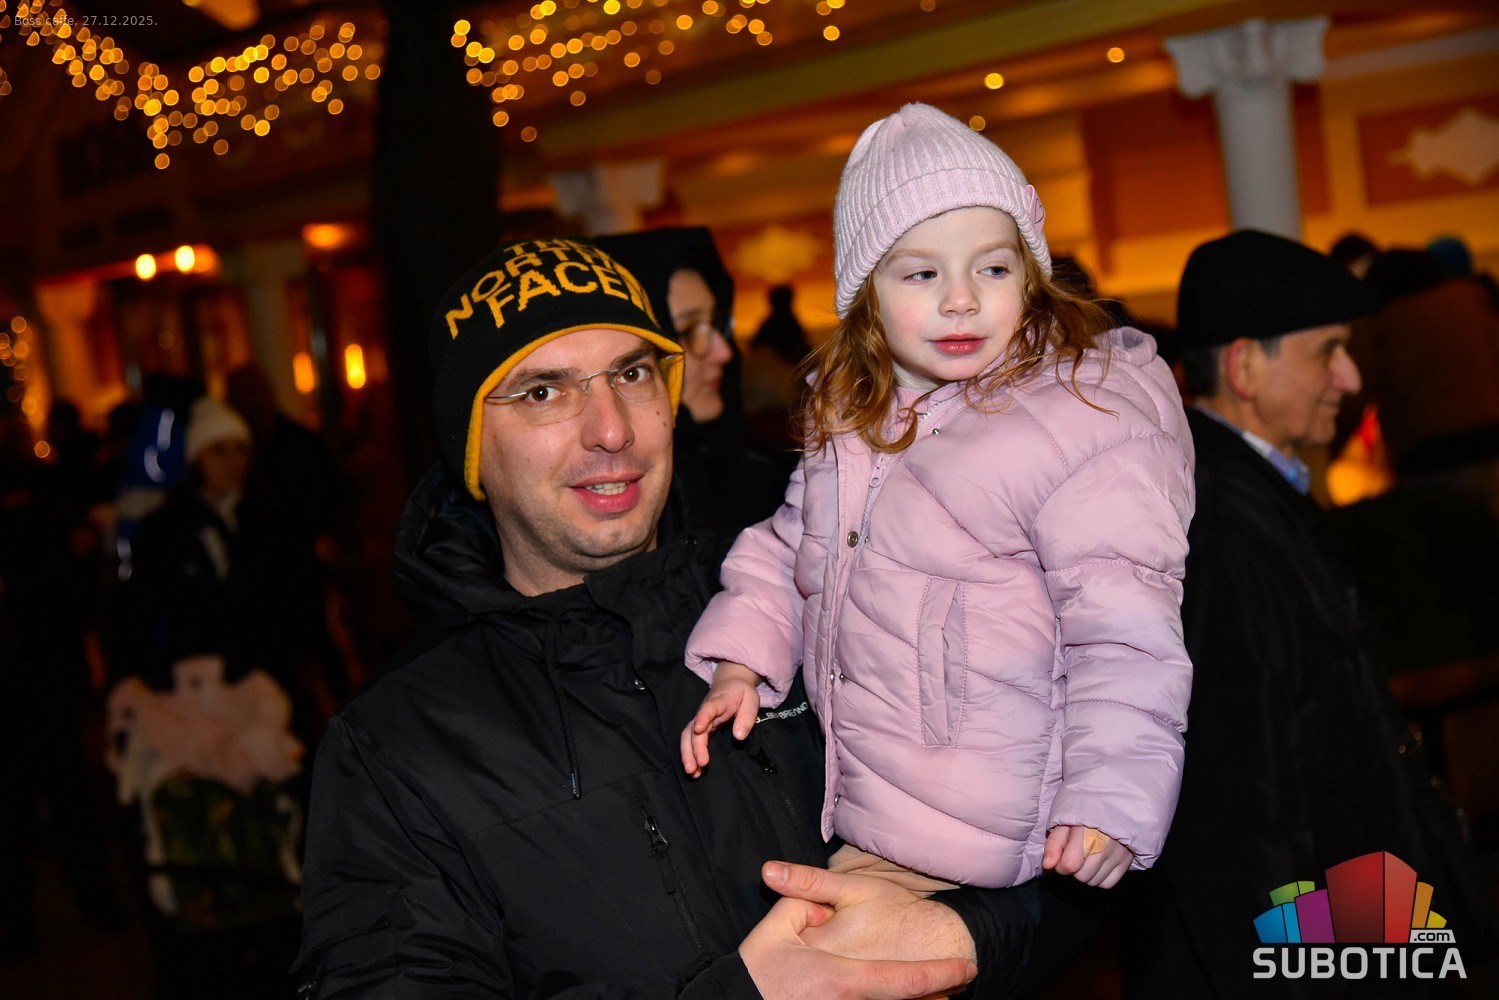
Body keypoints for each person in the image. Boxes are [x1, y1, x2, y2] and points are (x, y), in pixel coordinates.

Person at [294, 236, 1039, 998]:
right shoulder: (397, 747)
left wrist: (961, 936)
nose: (611, 429)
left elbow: (1051, 840)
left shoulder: (820, 601)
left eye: (632, 373)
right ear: (471, 446)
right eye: (543, 392)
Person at [682, 103, 1195, 893]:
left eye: (992, 269)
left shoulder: (1077, 424)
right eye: (922, 274)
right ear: (866, 294)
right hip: (867, 804)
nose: (961, 300)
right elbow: (786, 553)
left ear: (1030, 275)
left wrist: (1107, 801)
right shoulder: (850, 418)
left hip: (998, 831)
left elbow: (1124, 635)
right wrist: (740, 662)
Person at [1125, 229, 1497, 996]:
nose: (1350, 377)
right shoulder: (1224, 531)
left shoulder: (1249, 497)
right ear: (1244, 367)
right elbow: (1241, 809)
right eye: (1327, 352)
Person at [595, 226, 794, 537]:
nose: (724, 351)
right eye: (689, 332)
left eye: (716, 324)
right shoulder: (620, 508)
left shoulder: (771, 486)